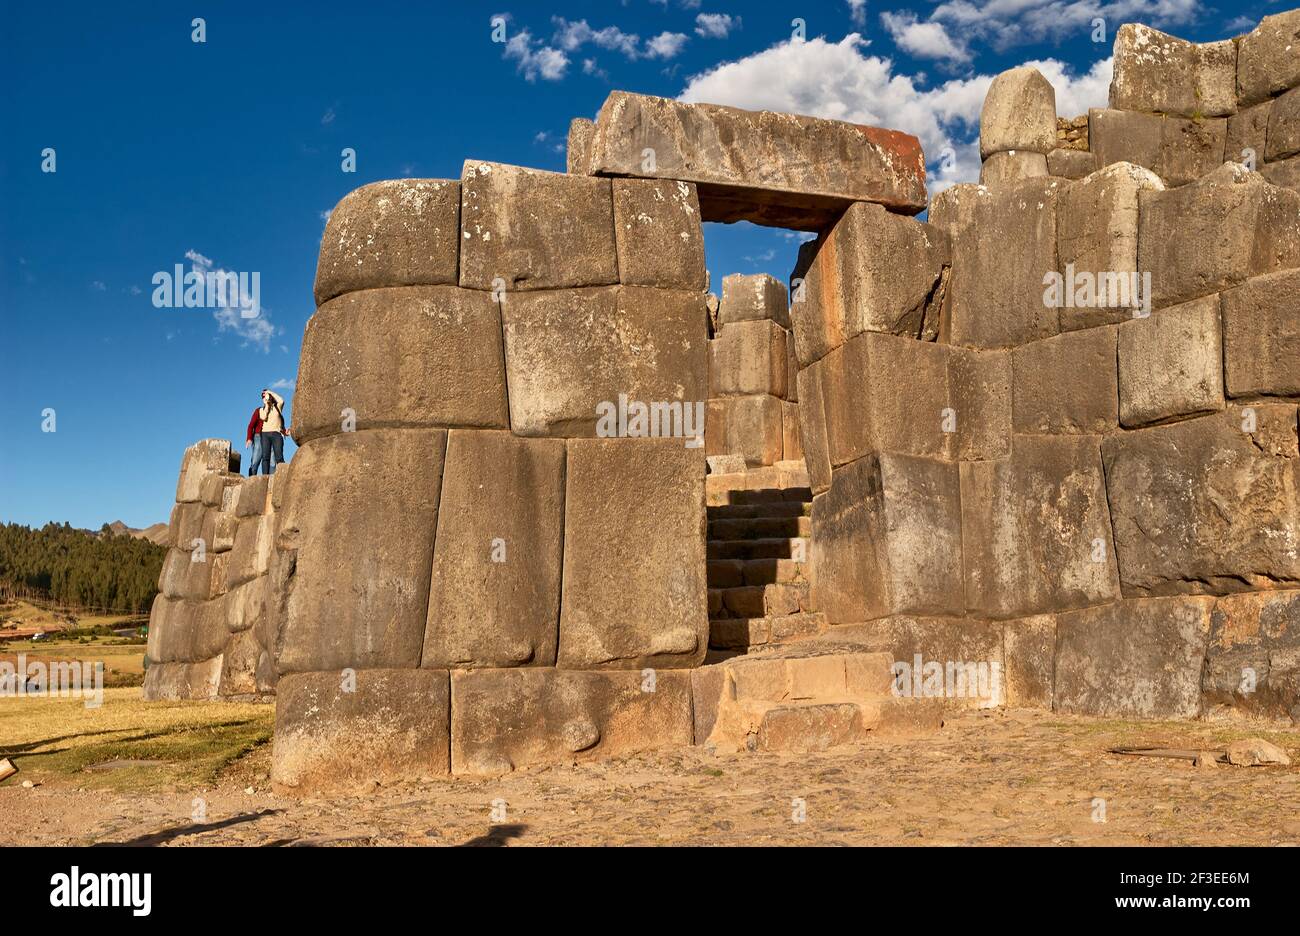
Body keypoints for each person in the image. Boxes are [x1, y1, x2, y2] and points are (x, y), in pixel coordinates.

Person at [256, 388, 291, 474]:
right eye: (263, 397)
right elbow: (263, 417)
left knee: (279, 457)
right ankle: (265, 477)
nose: (265, 398)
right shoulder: (261, 410)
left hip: (276, 434)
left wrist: (270, 392)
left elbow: (281, 400)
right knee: (265, 457)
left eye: (267, 396)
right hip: (265, 434)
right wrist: (267, 405)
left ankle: (282, 475)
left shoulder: (277, 407)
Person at [244, 403, 264, 476]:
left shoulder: (273, 411)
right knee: (255, 460)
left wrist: (284, 431)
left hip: (269, 436)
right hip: (258, 436)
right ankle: (251, 479)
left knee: (269, 462)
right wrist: (249, 438)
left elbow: (277, 423)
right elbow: (250, 426)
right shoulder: (258, 411)